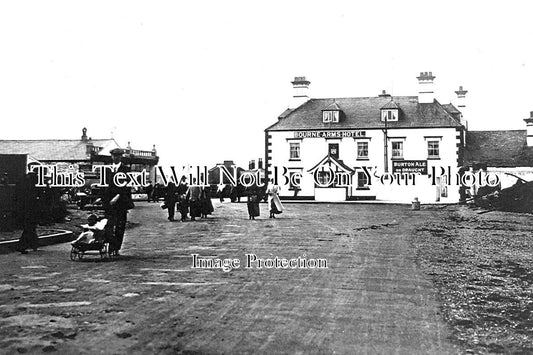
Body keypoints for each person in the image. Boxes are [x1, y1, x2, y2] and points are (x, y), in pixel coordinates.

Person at [102, 148, 134, 256]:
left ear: (121, 157)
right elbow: (104, 186)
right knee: (109, 225)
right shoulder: (106, 169)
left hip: (121, 202)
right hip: (108, 203)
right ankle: (111, 246)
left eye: (118, 156)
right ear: (111, 156)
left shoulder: (126, 169)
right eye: (114, 156)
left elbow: (126, 186)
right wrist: (100, 197)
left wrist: (117, 197)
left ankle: (116, 248)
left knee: (120, 226)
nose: (116, 158)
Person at [16, 172, 40, 254]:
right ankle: (22, 246)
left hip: (25, 211)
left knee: (31, 228)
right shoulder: (30, 189)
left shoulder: (23, 187)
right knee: (29, 229)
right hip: (29, 212)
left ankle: (34, 245)